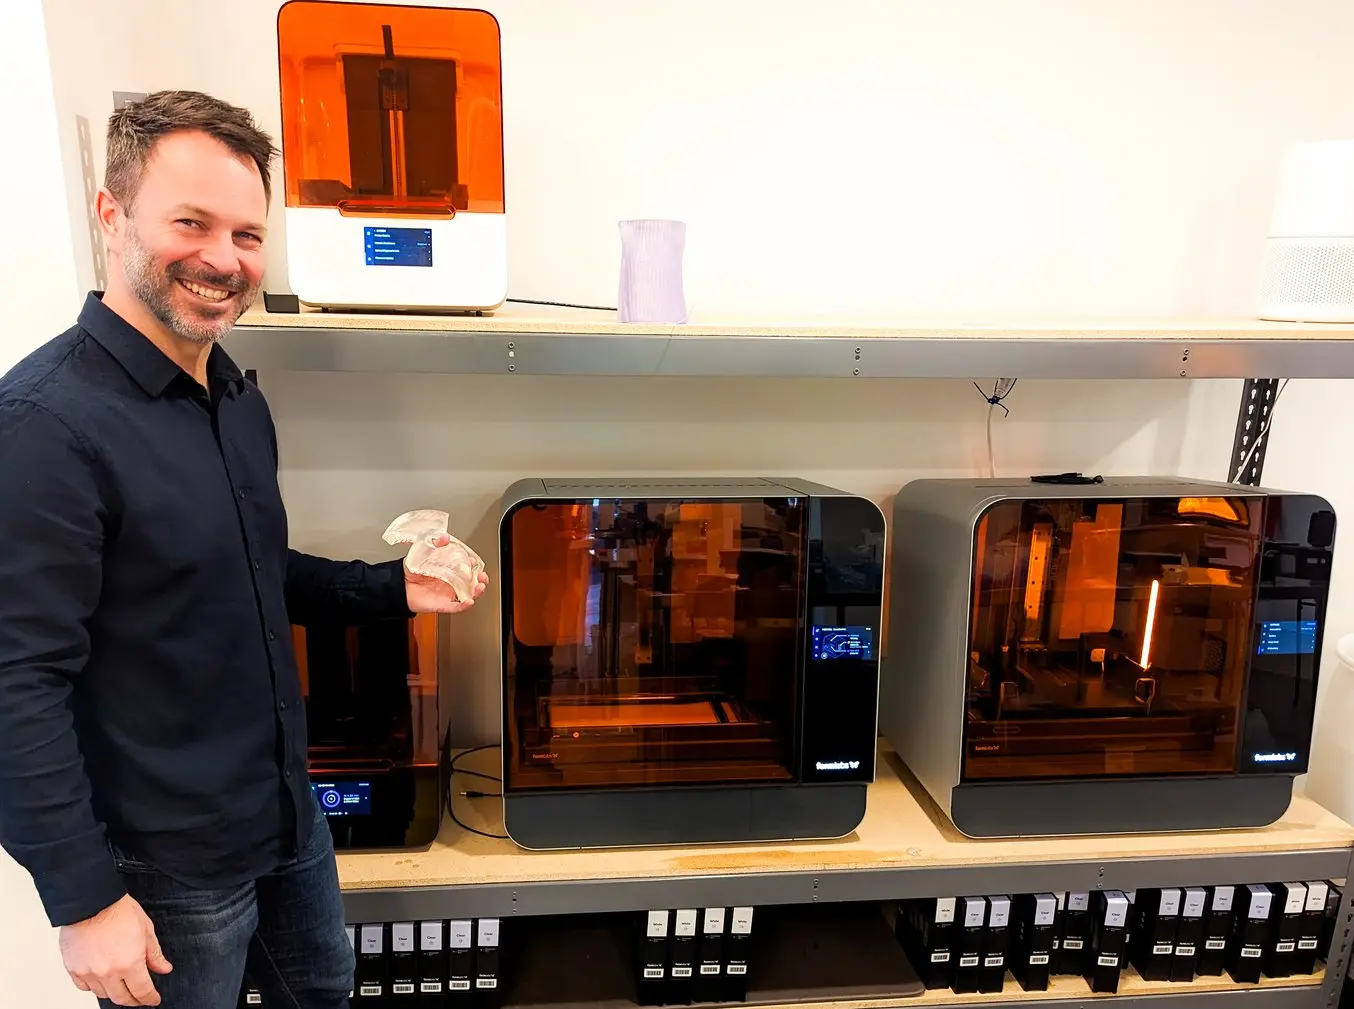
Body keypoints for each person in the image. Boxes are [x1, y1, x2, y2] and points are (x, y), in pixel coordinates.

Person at [0, 90, 488, 1009]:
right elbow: (14, 682)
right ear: (112, 215)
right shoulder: (43, 427)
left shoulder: (229, 392)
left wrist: (394, 586)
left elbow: (256, 571)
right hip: (163, 866)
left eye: (249, 234)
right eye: (191, 222)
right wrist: (84, 898)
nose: (224, 259)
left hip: (283, 819)